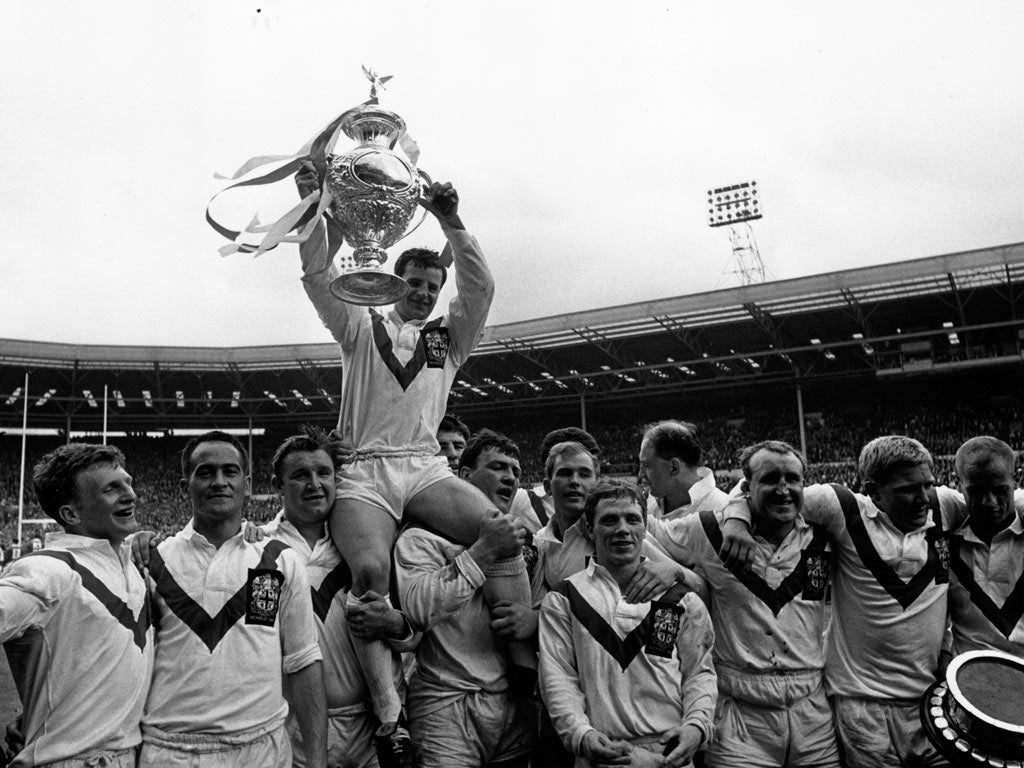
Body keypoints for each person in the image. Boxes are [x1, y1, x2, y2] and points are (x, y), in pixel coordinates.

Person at [296, 161, 531, 761]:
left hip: (425, 465)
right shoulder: (358, 324)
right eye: (416, 282)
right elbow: (318, 273)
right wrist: (315, 209)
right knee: (370, 575)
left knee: (498, 533)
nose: (426, 292)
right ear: (395, 280)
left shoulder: (447, 341)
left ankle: (523, 663)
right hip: (365, 469)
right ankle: (391, 718)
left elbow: (480, 289)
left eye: (433, 284)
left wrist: (451, 221)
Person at [722, 435, 964, 767]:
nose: (923, 498)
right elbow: (761, 491)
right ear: (874, 491)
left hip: (931, 699)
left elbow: (1006, 493)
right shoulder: (842, 508)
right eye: (908, 489)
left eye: (927, 485)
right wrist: (736, 518)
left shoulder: (945, 504)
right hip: (862, 706)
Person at [140, 430, 327, 768]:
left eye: (230, 471)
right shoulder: (154, 561)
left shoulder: (278, 559)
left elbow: (303, 661)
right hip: (170, 751)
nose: (219, 481)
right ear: (185, 486)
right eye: (206, 472)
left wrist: (316, 760)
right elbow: (129, 663)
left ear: (247, 483)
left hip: (260, 748)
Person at [651, 440, 840, 767]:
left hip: (814, 715)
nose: (784, 489)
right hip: (740, 718)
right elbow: (645, 531)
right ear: (746, 488)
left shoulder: (826, 533)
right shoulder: (709, 530)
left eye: (793, 479)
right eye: (769, 480)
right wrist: (677, 571)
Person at [263, 426, 418, 768]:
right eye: (300, 475)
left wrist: (397, 624)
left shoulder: (368, 547)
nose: (315, 484)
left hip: (373, 726)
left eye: (323, 473)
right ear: (277, 486)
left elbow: (415, 634)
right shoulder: (259, 549)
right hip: (297, 729)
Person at [539, 479, 717, 768]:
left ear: (645, 527)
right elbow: (557, 678)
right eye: (609, 520)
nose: (622, 529)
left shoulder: (680, 598)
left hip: (670, 752)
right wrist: (580, 735)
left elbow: (699, 673)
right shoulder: (564, 598)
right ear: (588, 528)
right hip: (602, 752)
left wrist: (697, 726)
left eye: (632, 519)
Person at [0, 443, 152, 767]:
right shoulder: (49, 571)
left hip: (130, 754)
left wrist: (42, 704)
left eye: (128, 483)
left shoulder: (130, 565)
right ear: (71, 513)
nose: (130, 495)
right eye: (111, 489)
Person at [393, 429, 533, 768]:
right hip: (447, 705)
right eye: (498, 467)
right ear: (464, 476)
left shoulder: (525, 541)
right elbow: (419, 609)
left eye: (515, 471)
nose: (510, 477)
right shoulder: (421, 536)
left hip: (511, 703)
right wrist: (483, 552)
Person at [944, 435, 1024, 656]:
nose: (989, 502)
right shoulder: (946, 545)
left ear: (1016, 479)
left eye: (1000, 490)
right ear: (957, 483)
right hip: (970, 683)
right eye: (977, 492)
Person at [638, 421, 726, 521]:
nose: (640, 474)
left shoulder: (724, 511)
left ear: (674, 467)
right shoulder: (646, 503)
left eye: (647, 465)